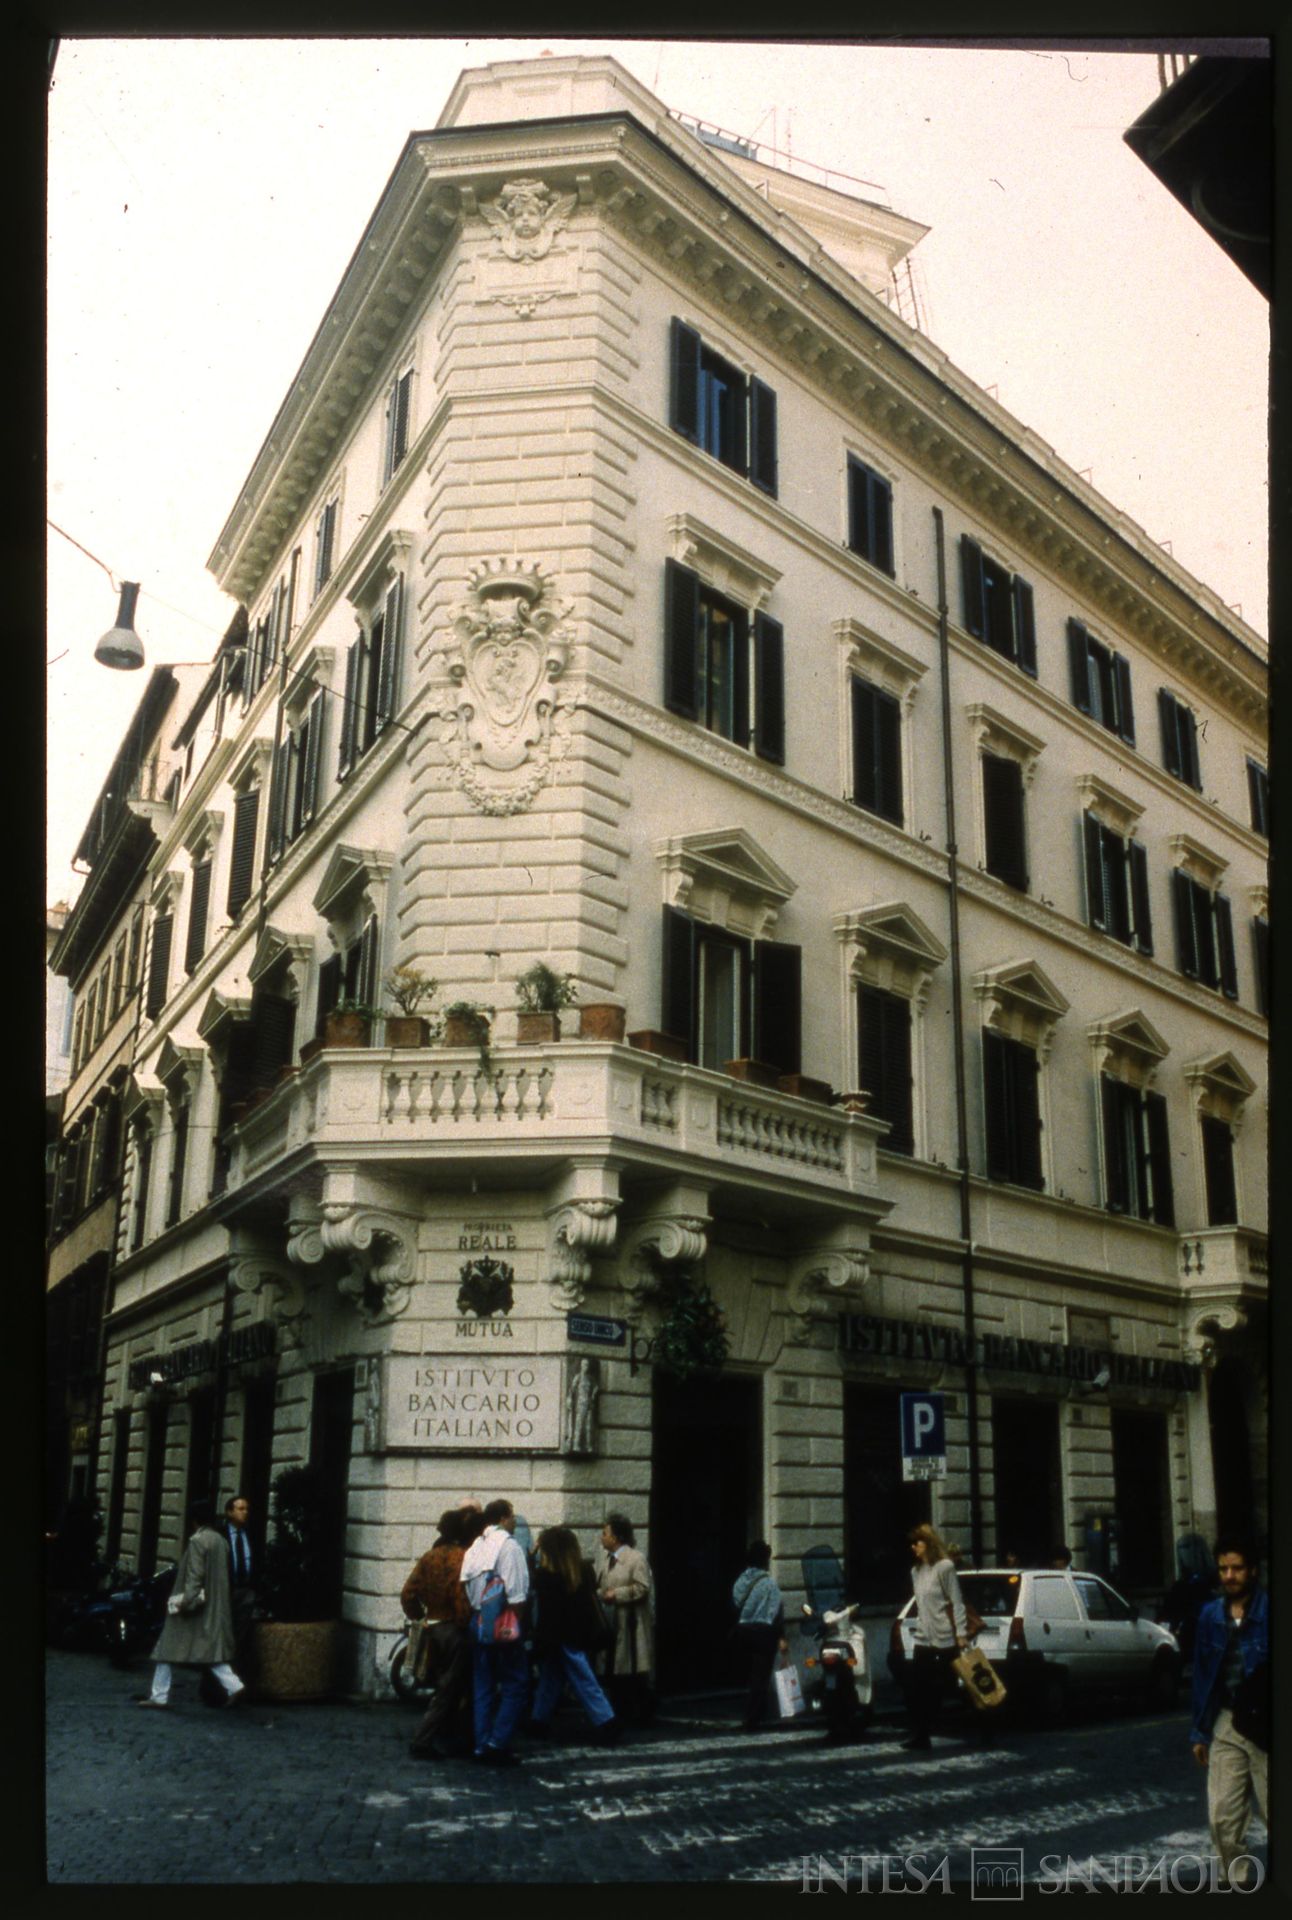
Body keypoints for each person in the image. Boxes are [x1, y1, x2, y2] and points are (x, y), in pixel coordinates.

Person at [1189, 1536, 1269, 1890]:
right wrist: (1199, 1732)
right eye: (1224, 1568)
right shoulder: (1210, 1615)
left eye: (1237, 1568)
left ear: (1252, 1570)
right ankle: (1235, 1886)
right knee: (1222, 1818)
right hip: (1227, 1721)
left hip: (1268, 1725)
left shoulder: (1271, 1610)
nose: (1230, 1575)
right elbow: (1203, 1677)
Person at [137, 1498, 246, 1710]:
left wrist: (185, 1602)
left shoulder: (198, 1541)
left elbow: (195, 1575)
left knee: (166, 1647)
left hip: (195, 1605)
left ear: (194, 1520)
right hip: (215, 1606)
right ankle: (235, 1685)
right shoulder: (220, 1541)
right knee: (209, 1651)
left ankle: (159, 1696)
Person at [404, 1507, 485, 1761]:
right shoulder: (462, 1557)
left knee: (444, 1684)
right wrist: (463, 1624)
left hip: (432, 1626)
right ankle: (422, 1740)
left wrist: (420, 1618)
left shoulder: (430, 1557)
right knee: (449, 1688)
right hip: (453, 1629)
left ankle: (447, 1732)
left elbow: (408, 1594)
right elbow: (462, 1600)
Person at [529, 1526, 620, 1745]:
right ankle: (538, 1720)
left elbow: (544, 1610)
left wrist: (532, 1554)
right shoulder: (583, 1570)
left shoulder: (544, 1576)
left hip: (555, 1636)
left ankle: (607, 1721)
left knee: (576, 1679)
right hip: (576, 1634)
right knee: (560, 1678)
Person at [460, 1498, 530, 1766]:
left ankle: (481, 1743)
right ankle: (497, 1742)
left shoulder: (475, 1548)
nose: (514, 1521)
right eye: (512, 1516)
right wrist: (516, 1626)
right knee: (516, 1683)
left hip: (477, 1621)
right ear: (502, 1518)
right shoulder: (509, 1547)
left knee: (483, 1685)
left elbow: (467, 1588)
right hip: (503, 1622)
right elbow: (517, 1594)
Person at [903, 1522, 968, 1750]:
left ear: (928, 1544)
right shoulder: (916, 1571)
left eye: (917, 1543)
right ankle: (921, 1735)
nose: (913, 1547)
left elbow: (957, 1602)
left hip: (946, 1636)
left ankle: (983, 1724)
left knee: (961, 1685)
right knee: (918, 1687)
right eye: (912, 1544)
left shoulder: (945, 1567)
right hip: (924, 1637)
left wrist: (960, 1633)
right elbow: (921, 1605)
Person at [597, 1513, 655, 1726]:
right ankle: (619, 1711)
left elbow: (642, 1587)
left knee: (630, 1668)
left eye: (605, 1534)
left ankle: (638, 1713)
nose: (601, 1538)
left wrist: (618, 1594)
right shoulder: (605, 1560)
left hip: (630, 1622)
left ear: (617, 1537)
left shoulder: (635, 1558)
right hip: (611, 1621)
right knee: (613, 1667)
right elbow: (601, 1584)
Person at [731, 1541, 788, 1732]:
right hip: (764, 1634)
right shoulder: (770, 1584)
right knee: (760, 1676)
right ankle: (753, 1717)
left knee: (750, 1675)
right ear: (765, 1560)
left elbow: (736, 1601)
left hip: (743, 1631)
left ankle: (754, 1711)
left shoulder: (741, 1581)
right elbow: (776, 1612)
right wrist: (781, 1636)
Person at [223, 1494, 257, 1660]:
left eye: (247, 1509)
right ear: (230, 1512)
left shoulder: (251, 1534)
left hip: (246, 1591)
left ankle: (235, 1667)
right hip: (228, 1590)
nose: (245, 1512)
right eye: (241, 1509)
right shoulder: (221, 1535)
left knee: (241, 1634)